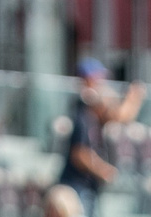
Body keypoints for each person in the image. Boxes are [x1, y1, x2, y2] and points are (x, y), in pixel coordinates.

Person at [56, 60, 142, 205]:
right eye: (98, 78)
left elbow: (121, 117)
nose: (103, 84)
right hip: (77, 187)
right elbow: (79, 153)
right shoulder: (82, 115)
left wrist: (134, 99)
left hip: (88, 188)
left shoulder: (94, 116)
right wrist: (104, 171)